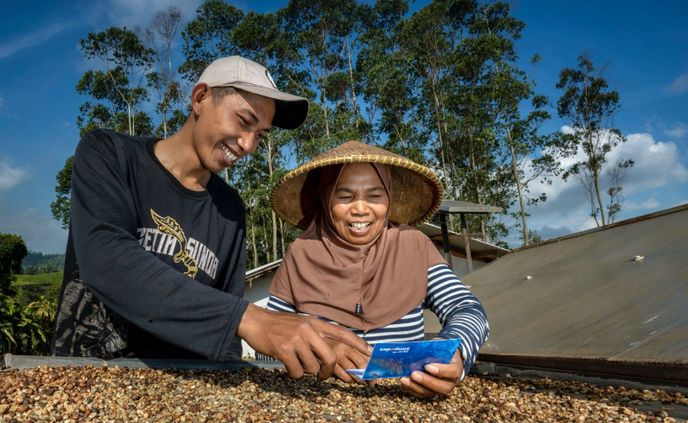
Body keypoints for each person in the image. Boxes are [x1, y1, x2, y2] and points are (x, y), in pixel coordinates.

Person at [51, 56, 371, 380]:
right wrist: (251, 319)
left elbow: (224, 327)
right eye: (244, 121)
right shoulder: (109, 154)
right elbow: (106, 259)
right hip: (87, 379)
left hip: (178, 391)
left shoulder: (230, 210)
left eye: (260, 134)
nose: (247, 145)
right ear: (200, 98)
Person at [259, 141, 490, 398]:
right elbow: (267, 340)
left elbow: (467, 308)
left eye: (374, 196)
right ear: (326, 198)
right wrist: (317, 348)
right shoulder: (300, 253)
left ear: (388, 198)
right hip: (317, 401)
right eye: (344, 196)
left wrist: (452, 351)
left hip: (406, 399)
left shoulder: (413, 245)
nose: (360, 209)